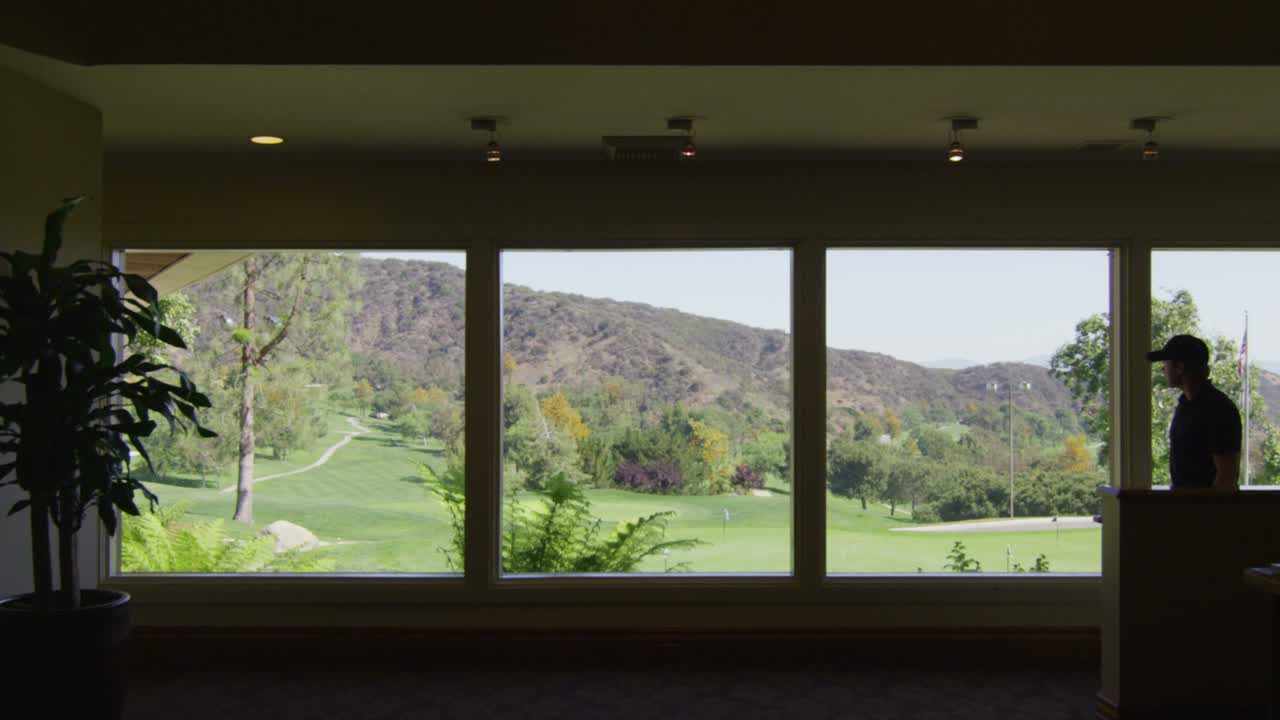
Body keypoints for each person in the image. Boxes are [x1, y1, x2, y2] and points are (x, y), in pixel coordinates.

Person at [1147, 334, 1242, 490]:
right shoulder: (1185, 406)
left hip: (1205, 511)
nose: (1164, 369)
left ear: (1179, 368)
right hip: (1187, 508)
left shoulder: (1219, 410)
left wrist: (1209, 512)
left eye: (1166, 364)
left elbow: (1226, 475)